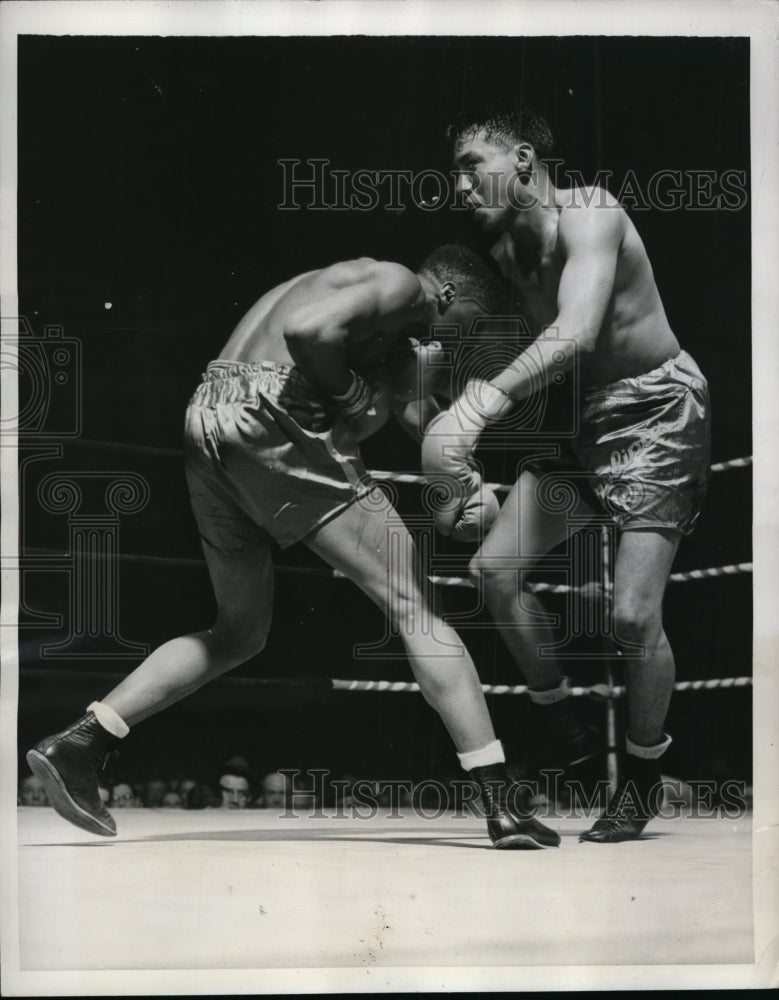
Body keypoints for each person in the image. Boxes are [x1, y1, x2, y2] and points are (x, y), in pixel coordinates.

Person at [26, 247, 559, 851]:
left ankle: (82, 742)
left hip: (209, 418)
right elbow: (307, 334)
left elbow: (417, 416)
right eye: (470, 326)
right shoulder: (401, 284)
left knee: (239, 632)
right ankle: (499, 801)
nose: (458, 342)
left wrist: (460, 485)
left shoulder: (344, 299)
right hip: (273, 416)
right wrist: (353, 397)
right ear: (448, 295)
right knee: (417, 608)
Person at [421, 104, 711, 843]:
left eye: (472, 166)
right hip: (580, 422)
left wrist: (477, 407)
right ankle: (563, 724)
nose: (459, 186)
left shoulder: (591, 213)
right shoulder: (502, 256)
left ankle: (642, 774)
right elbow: (510, 353)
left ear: (523, 159)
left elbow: (575, 331)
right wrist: (427, 392)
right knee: (493, 572)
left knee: (631, 617)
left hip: (655, 411)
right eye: (454, 173)